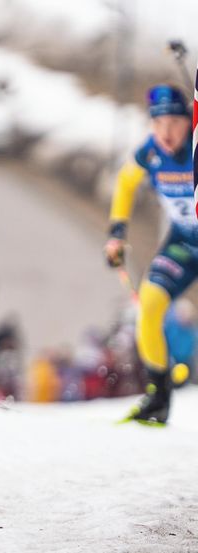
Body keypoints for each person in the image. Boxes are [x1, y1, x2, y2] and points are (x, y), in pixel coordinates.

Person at [104, 84, 196, 424]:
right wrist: (117, 234)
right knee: (149, 304)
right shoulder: (151, 152)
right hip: (184, 243)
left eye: (174, 123)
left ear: (189, 122)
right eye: (158, 123)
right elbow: (126, 182)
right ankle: (159, 396)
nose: (166, 132)